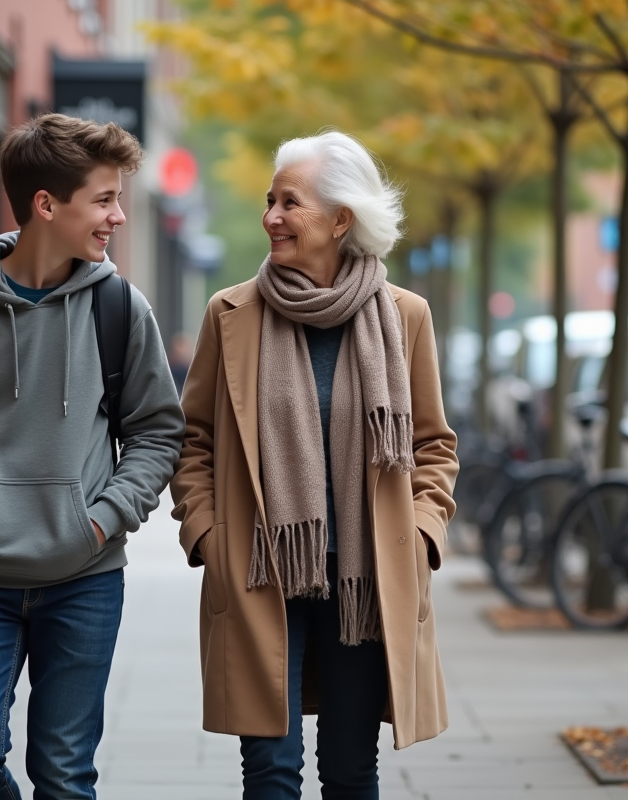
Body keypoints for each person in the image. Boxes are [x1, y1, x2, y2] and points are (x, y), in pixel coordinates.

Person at [0, 113, 184, 800]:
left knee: (64, 773)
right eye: (104, 200)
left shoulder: (119, 308)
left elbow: (159, 433)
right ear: (47, 204)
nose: (118, 216)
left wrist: (102, 519)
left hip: (85, 577)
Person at [170, 130, 458, 799]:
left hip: (367, 577)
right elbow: (193, 441)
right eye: (270, 201)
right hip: (259, 570)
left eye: (290, 203)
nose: (271, 216)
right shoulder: (231, 314)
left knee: (350, 770)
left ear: (340, 219)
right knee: (270, 772)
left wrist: (420, 537)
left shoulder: (404, 317)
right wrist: (209, 536)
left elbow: (434, 447)